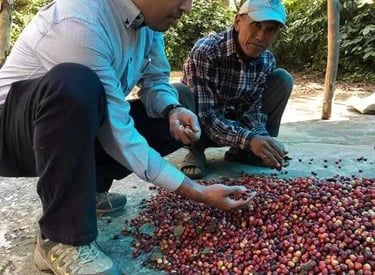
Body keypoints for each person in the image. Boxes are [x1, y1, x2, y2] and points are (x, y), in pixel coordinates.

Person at [0, 0, 255, 274]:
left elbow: (155, 80)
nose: (188, 8)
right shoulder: (78, 21)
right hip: (13, 136)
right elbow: (116, 131)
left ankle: (87, 194)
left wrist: (173, 110)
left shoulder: (148, 23)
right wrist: (196, 192)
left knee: (180, 97)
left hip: (77, 123)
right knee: (75, 83)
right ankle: (60, 236)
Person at [180, 0, 294, 179]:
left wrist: (261, 138)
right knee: (180, 93)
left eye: (270, 30)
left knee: (282, 79)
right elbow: (207, 115)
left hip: (234, 124)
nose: (261, 36)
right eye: (256, 26)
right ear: (238, 22)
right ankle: (195, 149)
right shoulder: (206, 51)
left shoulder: (266, 60)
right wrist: (250, 139)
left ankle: (252, 150)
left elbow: (251, 111)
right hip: (202, 124)